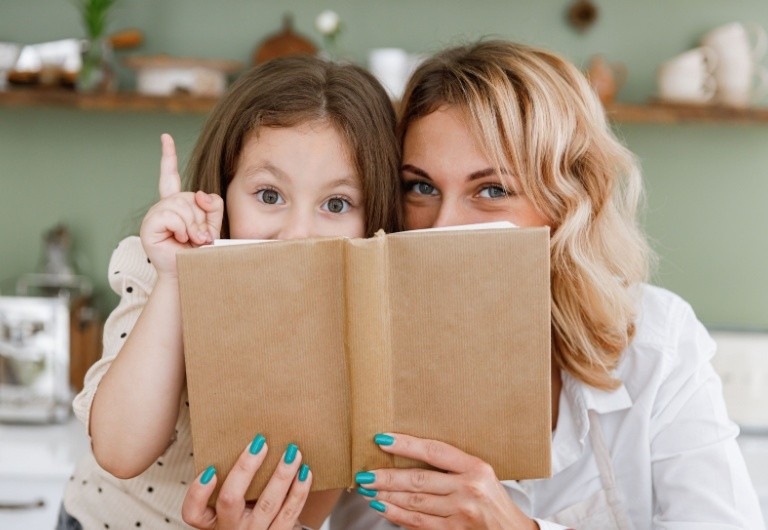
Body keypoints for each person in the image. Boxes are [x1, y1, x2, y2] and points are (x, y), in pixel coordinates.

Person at [324, 40, 765, 529]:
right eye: (422, 187)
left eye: (491, 190)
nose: (443, 225)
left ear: (564, 205)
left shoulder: (656, 343)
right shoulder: (356, 350)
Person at [58, 55, 402, 530]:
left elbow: (311, 500)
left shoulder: (357, 321)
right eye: (269, 195)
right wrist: (178, 281)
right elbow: (119, 451)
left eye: (336, 203)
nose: (297, 234)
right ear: (222, 190)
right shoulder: (160, 269)